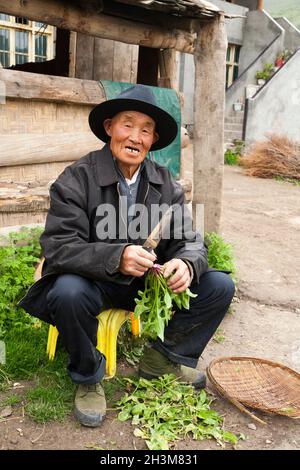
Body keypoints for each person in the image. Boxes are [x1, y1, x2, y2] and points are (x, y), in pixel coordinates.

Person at [19, 85, 235, 427]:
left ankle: (160, 360)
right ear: (109, 129)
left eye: (145, 129)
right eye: (127, 125)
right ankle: (88, 376)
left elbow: (191, 239)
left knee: (219, 285)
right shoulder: (77, 178)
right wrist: (116, 256)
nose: (135, 136)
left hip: (144, 285)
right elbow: (58, 245)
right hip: (94, 283)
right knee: (67, 291)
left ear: (152, 140)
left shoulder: (165, 183)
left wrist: (186, 263)